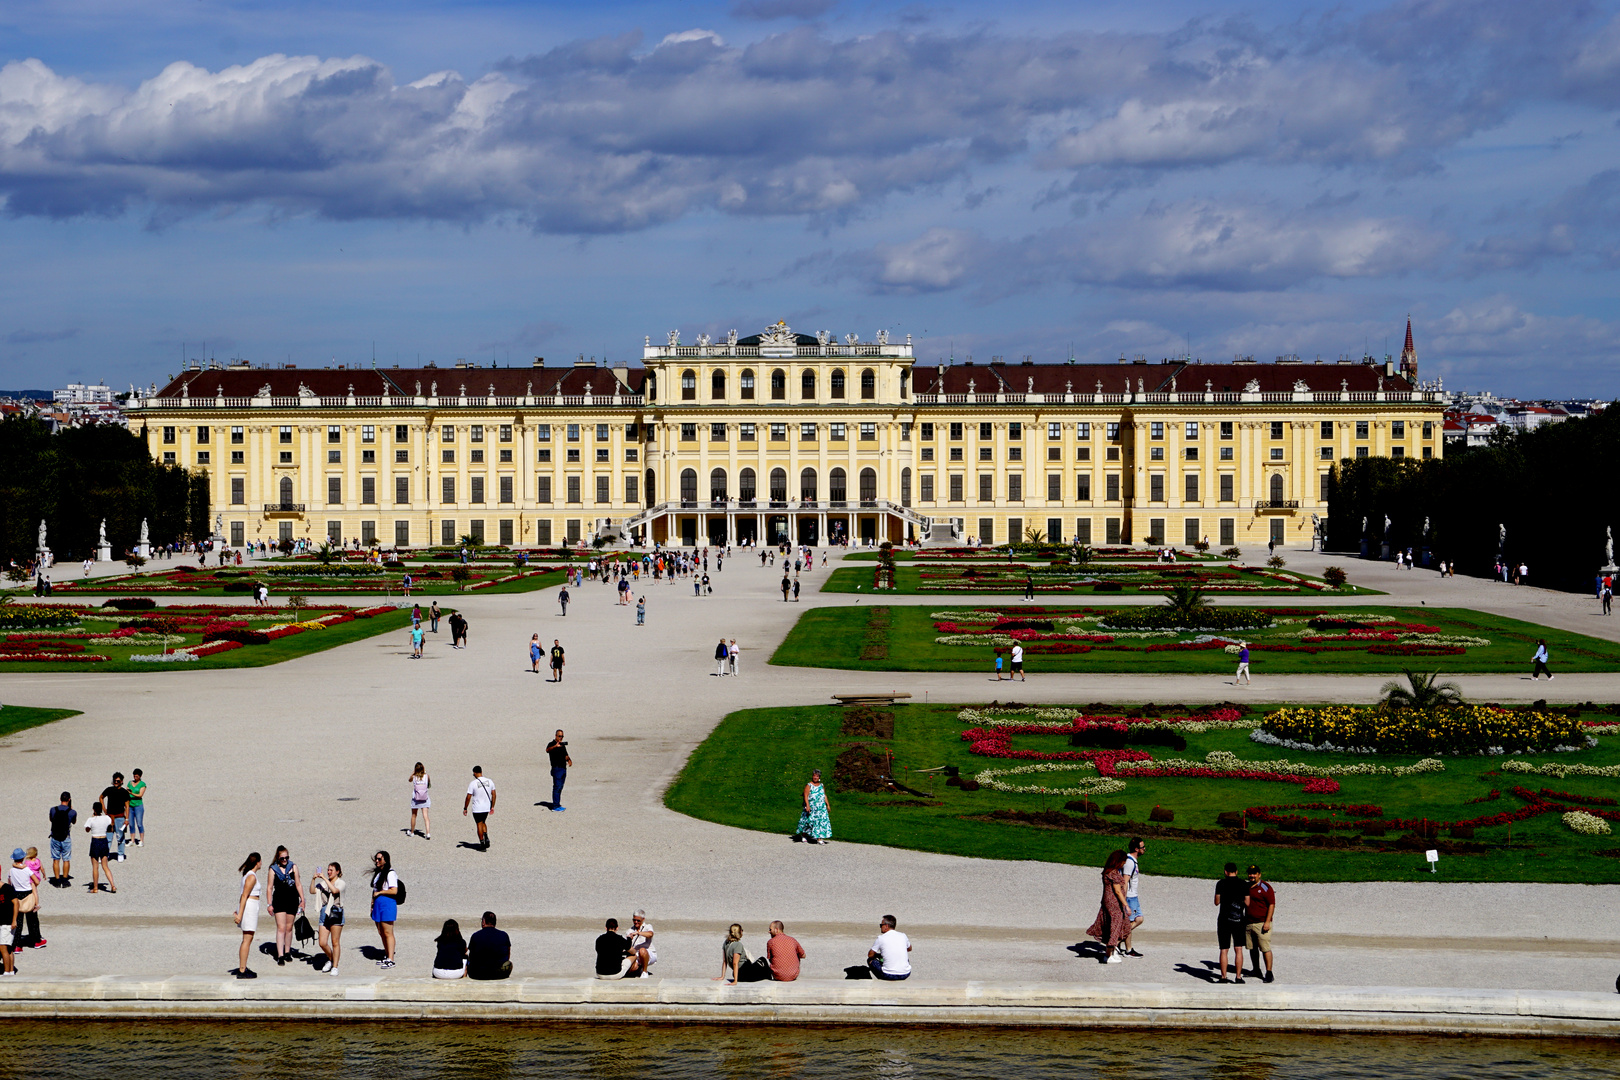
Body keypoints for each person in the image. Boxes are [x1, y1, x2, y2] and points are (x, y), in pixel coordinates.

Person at [1086, 849, 1130, 964]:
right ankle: (1108, 955)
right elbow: (1117, 891)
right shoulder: (1114, 874)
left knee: (1110, 925)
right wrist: (1126, 904)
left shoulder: (1107, 872)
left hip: (1106, 902)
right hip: (1114, 903)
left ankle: (1112, 951)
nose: (1123, 864)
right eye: (1123, 862)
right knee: (1115, 926)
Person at [268, 845, 305, 966]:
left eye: (286, 857)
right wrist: (269, 904)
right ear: (278, 858)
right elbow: (269, 887)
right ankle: (280, 955)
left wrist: (302, 899)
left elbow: (298, 884)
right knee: (281, 928)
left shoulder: (293, 867)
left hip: (292, 899)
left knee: (289, 927)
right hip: (279, 900)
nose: (285, 860)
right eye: (282, 858)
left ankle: (287, 951)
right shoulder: (273, 869)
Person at [1213, 862, 1249, 983]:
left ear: (1225, 872)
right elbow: (1248, 903)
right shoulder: (1243, 884)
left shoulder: (1221, 883)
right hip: (1238, 919)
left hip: (1224, 919)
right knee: (1238, 948)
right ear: (1236, 871)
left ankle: (1223, 977)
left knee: (1224, 949)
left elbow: (1216, 902)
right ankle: (1238, 977)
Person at [311, 861, 345, 976]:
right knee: (322, 942)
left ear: (337, 871)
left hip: (335, 912)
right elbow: (312, 891)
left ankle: (335, 966)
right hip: (324, 912)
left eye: (331, 870)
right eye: (328, 870)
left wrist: (325, 879)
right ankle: (331, 959)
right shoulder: (324, 883)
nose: (329, 872)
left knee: (335, 942)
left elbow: (335, 891)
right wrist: (313, 879)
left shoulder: (341, 883)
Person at [1244, 865, 1277, 982]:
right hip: (1249, 922)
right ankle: (1256, 969)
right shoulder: (1246, 886)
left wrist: (1267, 922)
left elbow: (1271, 904)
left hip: (1262, 923)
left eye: (1254, 873)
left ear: (1259, 874)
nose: (1251, 876)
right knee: (1252, 948)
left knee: (1265, 948)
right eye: (1250, 873)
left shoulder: (1265, 888)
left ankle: (1269, 972)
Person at [233, 851, 261, 979]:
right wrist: (240, 914)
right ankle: (242, 970)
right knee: (247, 939)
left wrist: (239, 911)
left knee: (247, 939)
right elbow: (244, 895)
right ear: (257, 862)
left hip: (250, 907)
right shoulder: (251, 877)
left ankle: (243, 967)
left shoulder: (248, 875)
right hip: (249, 908)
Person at [369, 851, 399, 969]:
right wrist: (372, 903)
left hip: (387, 904)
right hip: (378, 904)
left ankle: (391, 958)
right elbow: (374, 889)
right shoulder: (379, 874)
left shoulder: (391, 873)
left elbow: (394, 890)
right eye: (376, 859)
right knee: (381, 931)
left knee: (388, 932)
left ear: (385, 860)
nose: (377, 861)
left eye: (379, 859)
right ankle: (387, 955)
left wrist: (380, 892)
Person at [7, 850, 39, 949]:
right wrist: (31, 884)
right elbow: (36, 881)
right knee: (32, 920)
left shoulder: (11, 870)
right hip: (28, 893)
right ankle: (35, 941)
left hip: (16, 894)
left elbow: (9, 884)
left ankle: (16, 944)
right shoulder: (27, 870)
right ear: (23, 858)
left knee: (18, 920)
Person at [1120, 838, 1145, 957]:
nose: (1144, 849)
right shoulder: (1130, 863)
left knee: (1139, 919)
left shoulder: (1132, 860)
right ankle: (1127, 949)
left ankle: (1117, 940)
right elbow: (1125, 882)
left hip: (1133, 897)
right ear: (1136, 849)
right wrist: (1124, 902)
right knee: (1131, 922)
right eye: (1142, 847)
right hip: (1130, 898)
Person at [468, 911, 512, 980]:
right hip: (499, 974)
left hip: (477, 974)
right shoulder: (504, 935)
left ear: (483, 922)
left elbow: (471, 956)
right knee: (509, 964)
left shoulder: (475, 936)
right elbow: (508, 954)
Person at [866, 915, 911, 980]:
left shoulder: (881, 938)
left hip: (888, 975)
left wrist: (878, 955)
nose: (880, 927)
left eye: (881, 925)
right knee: (904, 958)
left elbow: (870, 955)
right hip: (905, 974)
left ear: (886, 926)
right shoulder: (903, 935)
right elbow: (909, 948)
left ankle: (882, 979)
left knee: (870, 960)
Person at [84, 801, 115, 893]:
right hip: (104, 840)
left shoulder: (91, 820)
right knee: (105, 866)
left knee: (95, 866)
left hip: (95, 841)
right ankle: (113, 885)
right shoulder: (106, 818)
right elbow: (111, 825)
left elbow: (87, 829)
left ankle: (95, 887)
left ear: (93, 809)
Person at [794, 769, 831, 844]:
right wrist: (807, 805)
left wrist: (828, 805)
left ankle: (819, 838)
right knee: (808, 821)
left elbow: (824, 795)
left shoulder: (821, 785)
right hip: (812, 807)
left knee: (820, 822)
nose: (815, 777)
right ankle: (804, 835)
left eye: (817, 776)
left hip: (821, 808)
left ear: (819, 777)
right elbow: (806, 795)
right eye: (814, 775)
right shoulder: (809, 785)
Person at [101, 773, 130, 862]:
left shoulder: (124, 792)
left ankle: (120, 854)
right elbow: (101, 797)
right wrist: (104, 808)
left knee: (120, 836)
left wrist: (127, 819)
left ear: (121, 781)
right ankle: (106, 854)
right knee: (108, 837)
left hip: (120, 817)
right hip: (110, 817)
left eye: (118, 781)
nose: (116, 782)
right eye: (114, 781)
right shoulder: (109, 790)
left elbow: (127, 806)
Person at [465, 766, 496, 849]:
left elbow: (468, 797)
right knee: (483, 822)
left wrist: (465, 808)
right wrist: (492, 806)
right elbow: (494, 794)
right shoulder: (490, 781)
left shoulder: (473, 783)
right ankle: (486, 836)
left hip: (477, 807)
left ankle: (482, 842)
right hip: (486, 807)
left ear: (475, 773)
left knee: (479, 823)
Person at [47, 792, 75, 887]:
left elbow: (51, 819)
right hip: (66, 837)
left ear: (60, 799)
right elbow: (74, 822)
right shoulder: (72, 812)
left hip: (55, 837)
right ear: (69, 800)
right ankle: (65, 879)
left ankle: (57, 880)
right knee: (66, 859)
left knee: (56, 859)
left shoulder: (53, 809)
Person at [546, 730, 572, 812]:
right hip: (556, 769)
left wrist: (569, 760)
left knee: (560, 787)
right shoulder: (551, 744)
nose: (561, 738)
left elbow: (565, 755)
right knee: (557, 787)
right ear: (556, 736)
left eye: (562, 736)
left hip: (563, 768)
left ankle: (557, 804)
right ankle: (555, 806)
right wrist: (555, 746)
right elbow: (547, 750)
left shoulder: (562, 745)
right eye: (559, 736)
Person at [624, 910, 656, 977]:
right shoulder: (630, 931)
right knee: (629, 970)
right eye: (634, 920)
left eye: (638, 920)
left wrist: (638, 933)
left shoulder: (648, 926)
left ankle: (645, 972)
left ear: (643, 919)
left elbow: (650, 934)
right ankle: (639, 968)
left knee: (642, 950)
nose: (636, 922)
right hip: (636, 955)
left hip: (648, 953)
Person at [408, 763, 432, 839]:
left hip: (416, 799)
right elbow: (429, 785)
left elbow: (409, 780)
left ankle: (412, 832)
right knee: (426, 816)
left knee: (414, 815)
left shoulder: (414, 777)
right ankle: (428, 833)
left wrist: (413, 773)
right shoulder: (426, 776)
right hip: (425, 798)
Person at [126, 770, 147, 847]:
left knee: (139, 823)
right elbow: (126, 790)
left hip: (138, 806)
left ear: (140, 776)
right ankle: (132, 840)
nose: (135, 777)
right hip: (130, 806)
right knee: (131, 824)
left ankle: (141, 840)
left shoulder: (142, 784)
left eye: (137, 776)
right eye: (134, 775)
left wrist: (131, 793)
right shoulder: (130, 783)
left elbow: (140, 795)